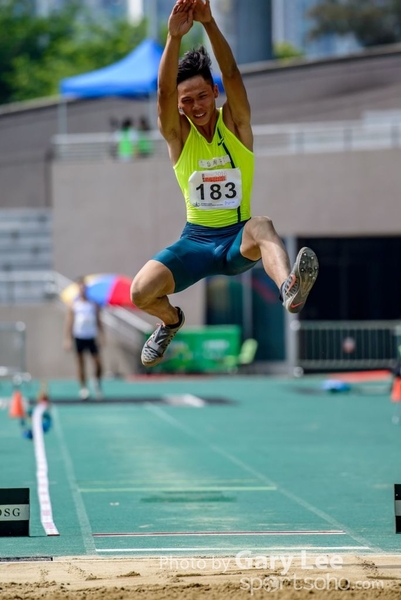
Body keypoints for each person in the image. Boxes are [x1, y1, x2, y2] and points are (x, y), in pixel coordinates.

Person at [130, 0, 319, 368]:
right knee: (140, 292)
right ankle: (170, 322)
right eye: (188, 101)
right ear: (180, 107)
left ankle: (289, 288)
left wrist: (209, 23)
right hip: (195, 243)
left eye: (203, 96)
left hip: (236, 240)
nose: (197, 106)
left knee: (262, 224)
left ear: (214, 93)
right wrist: (173, 37)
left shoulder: (236, 124)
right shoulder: (179, 138)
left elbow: (231, 73)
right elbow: (164, 93)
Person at [64, 277, 104, 399]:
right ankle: (83, 388)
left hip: (91, 337)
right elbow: (69, 323)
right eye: (80, 288)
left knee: (98, 363)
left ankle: (96, 383)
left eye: (84, 288)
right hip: (79, 336)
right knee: (81, 363)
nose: (83, 290)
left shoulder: (93, 304)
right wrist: (67, 339)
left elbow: (98, 321)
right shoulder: (74, 305)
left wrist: (102, 336)